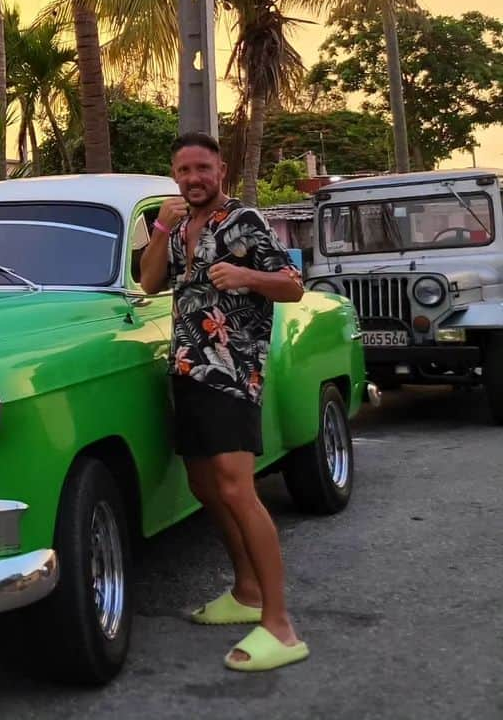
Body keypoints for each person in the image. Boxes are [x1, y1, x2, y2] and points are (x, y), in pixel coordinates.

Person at [137, 132, 308, 673]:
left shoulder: (245, 221)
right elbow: (147, 283)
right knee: (203, 486)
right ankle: (246, 591)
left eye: (202, 169)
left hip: (233, 373)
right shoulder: (179, 224)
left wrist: (246, 276)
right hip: (186, 368)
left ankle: (279, 626)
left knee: (237, 489)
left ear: (221, 169)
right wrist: (161, 227)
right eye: (184, 170)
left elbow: (292, 284)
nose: (193, 179)